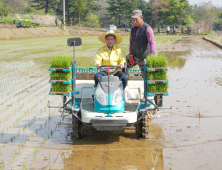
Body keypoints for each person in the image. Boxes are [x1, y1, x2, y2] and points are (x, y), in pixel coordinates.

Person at [126, 10, 155, 78]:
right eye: (133, 20)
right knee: (122, 64)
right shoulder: (132, 29)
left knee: (146, 77)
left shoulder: (147, 28)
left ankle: (147, 88)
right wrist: (131, 55)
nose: (135, 22)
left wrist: (152, 56)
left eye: (136, 20)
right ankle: (124, 82)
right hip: (135, 56)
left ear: (142, 18)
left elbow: (152, 42)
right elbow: (131, 42)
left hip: (144, 57)